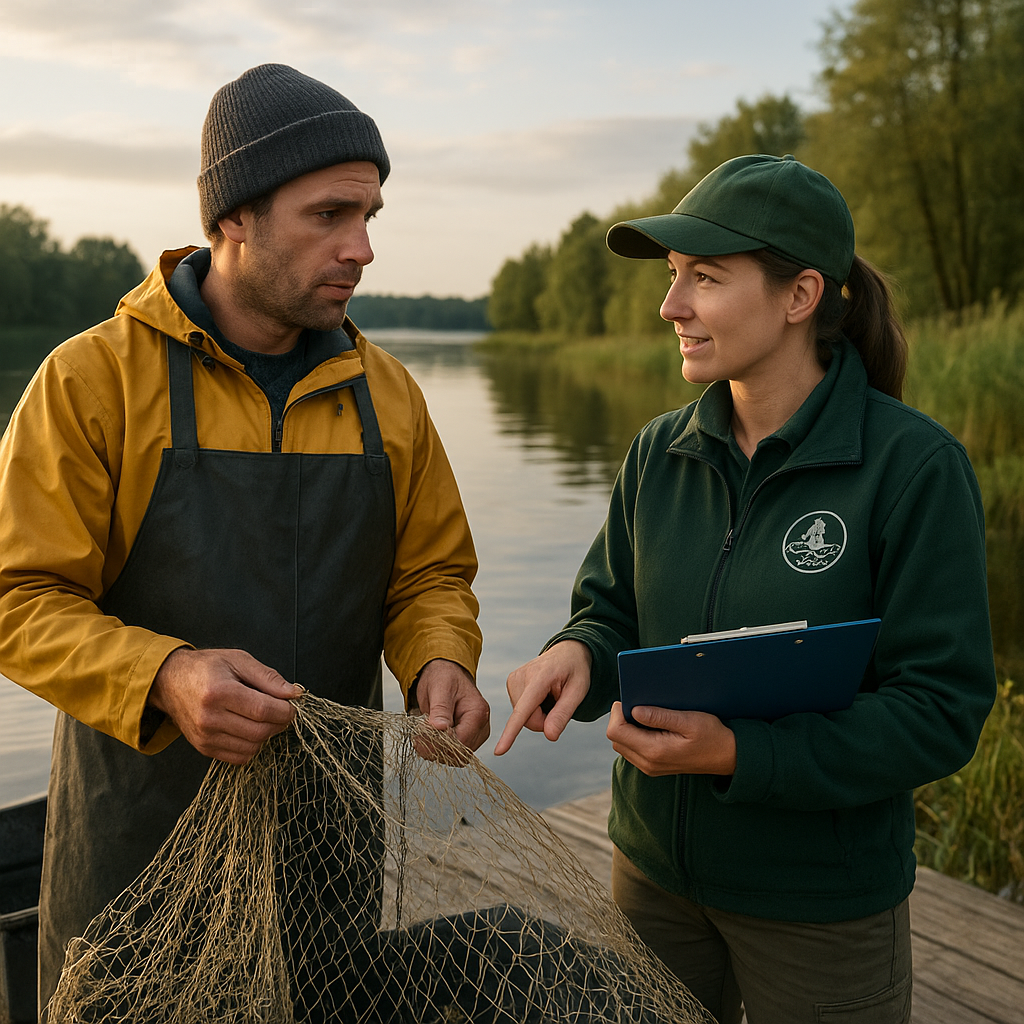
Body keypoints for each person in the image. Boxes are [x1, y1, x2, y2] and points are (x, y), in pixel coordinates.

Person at [0, 63, 489, 1013]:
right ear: (233, 217)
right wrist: (164, 675)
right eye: (328, 215)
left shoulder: (386, 394)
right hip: (133, 865)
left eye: (370, 216)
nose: (361, 247)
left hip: (331, 860)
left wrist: (439, 659)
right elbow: (17, 599)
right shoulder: (89, 383)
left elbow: (430, 571)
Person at [495, 154, 996, 1023]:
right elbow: (609, 610)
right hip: (650, 878)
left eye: (706, 278)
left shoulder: (914, 468)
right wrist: (574, 655)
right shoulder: (660, 452)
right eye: (673, 276)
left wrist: (739, 755)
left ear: (800, 296)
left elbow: (941, 709)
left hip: (820, 908)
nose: (671, 306)